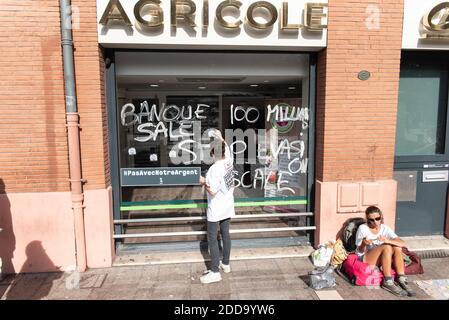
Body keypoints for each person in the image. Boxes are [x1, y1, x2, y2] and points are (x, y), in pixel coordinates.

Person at [355, 206, 416, 297]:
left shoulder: (385, 228)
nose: (375, 222)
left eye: (377, 218)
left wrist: (388, 240)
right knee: (387, 247)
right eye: (371, 220)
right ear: (367, 219)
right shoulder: (363, 228)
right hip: (366, 257)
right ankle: (387, 281)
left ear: (381, 217)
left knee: (397, 247)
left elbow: (402, 243)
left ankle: (401, 279)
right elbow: (359, 251)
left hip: (382, 257)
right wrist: (364, 243)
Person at [199, 139, 235, 284]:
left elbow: (212, 191)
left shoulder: (214, 169)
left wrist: (203, 181)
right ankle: (225, 264)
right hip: (227, 205)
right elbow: (227, 148)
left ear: (213, 152)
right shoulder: (228, 162)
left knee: (212, 238)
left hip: (216, 207)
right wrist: (221, 138)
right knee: (225, 234)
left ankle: (215, 272)